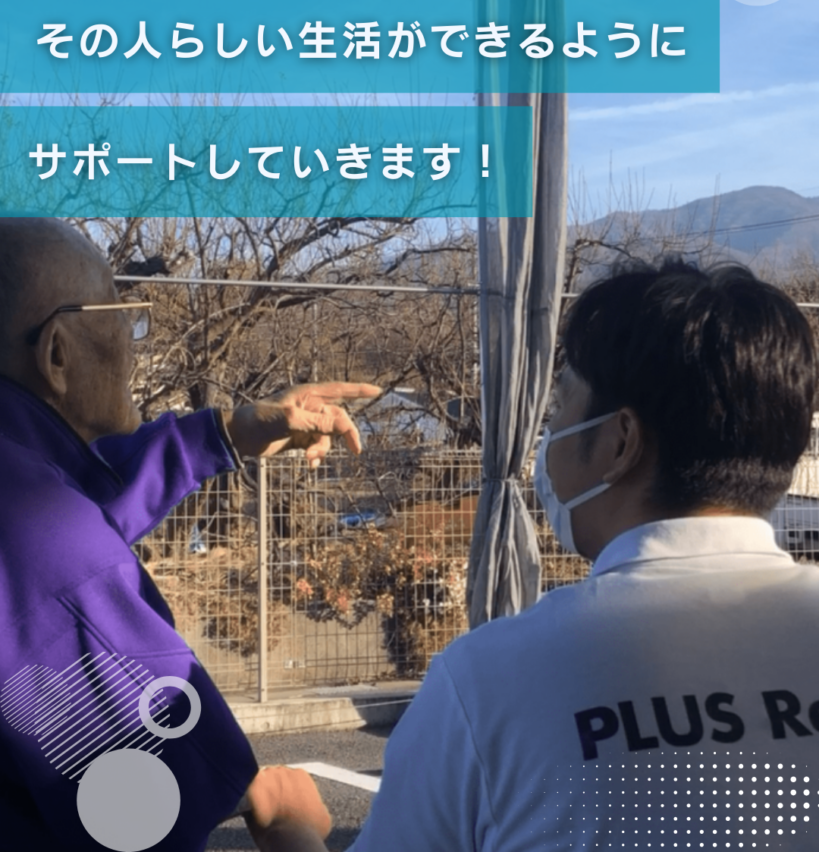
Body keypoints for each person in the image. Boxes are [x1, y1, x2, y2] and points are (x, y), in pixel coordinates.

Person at [344, 258, 819, 852]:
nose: (549, 437)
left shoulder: (488, 682)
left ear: (621, 442)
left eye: (559, 408)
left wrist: (293, 832)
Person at [0, 218, 371, 852]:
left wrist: (230, 432)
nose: (131, 339)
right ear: (57, 353)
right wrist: (291, 827)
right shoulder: (56, 566)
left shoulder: (22, 481)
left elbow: (75, 488)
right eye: (120, 315)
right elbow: (138, 823)